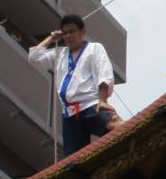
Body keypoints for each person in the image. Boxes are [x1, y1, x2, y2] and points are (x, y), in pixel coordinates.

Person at [29, 14, 116, 157]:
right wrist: (52, 38)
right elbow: (34, 58)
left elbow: (104, 73)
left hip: (90, 104)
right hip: (69, 112)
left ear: (82, 32)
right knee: (73, 159)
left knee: (115, 126)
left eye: (72, 31)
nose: (68, 35)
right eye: (65, 32)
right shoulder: (60, 53)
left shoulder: (94, 48)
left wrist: (103, 100)